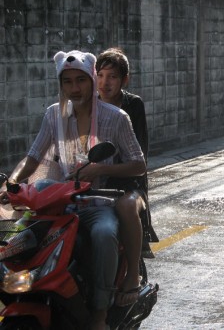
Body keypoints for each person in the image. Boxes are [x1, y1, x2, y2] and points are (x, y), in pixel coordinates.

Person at [7, 50, 146, 330]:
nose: (74, 88)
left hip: (99, 203)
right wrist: (11, 182)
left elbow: (139, 165)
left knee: (103, 234)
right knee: (20, 234)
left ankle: (98, 314)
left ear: (91, 81)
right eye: (67, 82)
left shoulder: (117, 117)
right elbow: (33, 156)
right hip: (60, 200)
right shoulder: (52, 115)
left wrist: (100, 170)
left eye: (80, 81)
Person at [96, 48, 158, 307]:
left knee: (125, 206)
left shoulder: (132, 106)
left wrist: (107, 170)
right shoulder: (89, 104)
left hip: (127, 183)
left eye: (112, 76)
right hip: (94, 180)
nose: (104, 82)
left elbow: (139, 156)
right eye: (100, 75)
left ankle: (132, 275)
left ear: (125, 80)